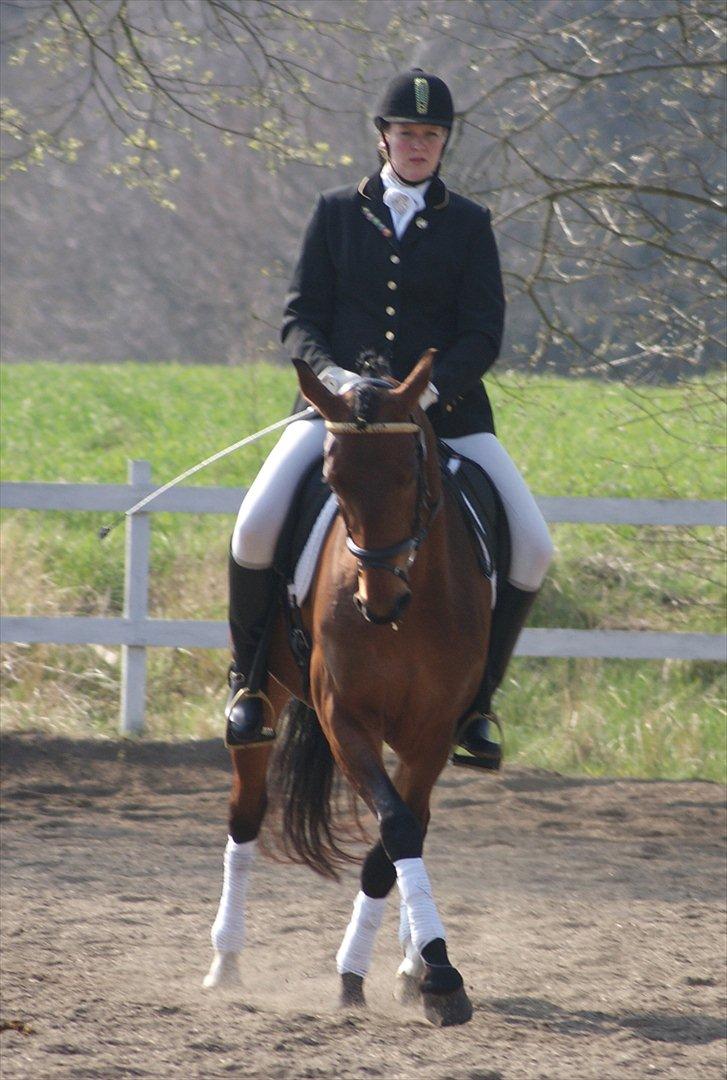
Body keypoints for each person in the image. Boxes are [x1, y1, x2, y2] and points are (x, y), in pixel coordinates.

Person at [225, 68, 553, 769]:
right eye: (406, 132)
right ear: (383, 138)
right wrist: (339, 384)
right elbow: (299, 317)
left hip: (447, 414)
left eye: (430, 135)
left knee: (532, 546)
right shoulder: (336, 211)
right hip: (338, 416)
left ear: (442, 145)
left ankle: (478, 706)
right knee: (253, 526)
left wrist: (423, 396)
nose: (417, 145)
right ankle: (250, 686)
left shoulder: (468, 224)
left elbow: (481, 333)